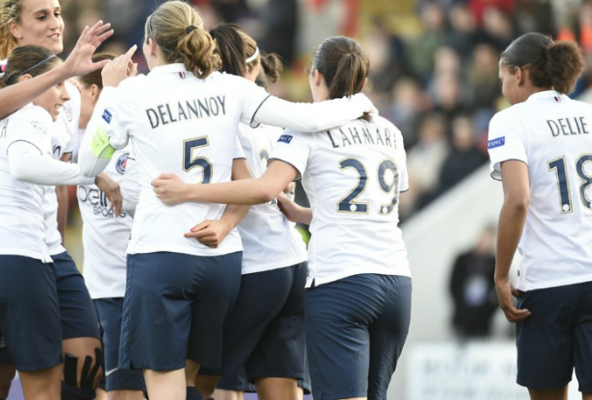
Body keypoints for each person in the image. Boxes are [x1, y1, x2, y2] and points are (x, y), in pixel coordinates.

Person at [77, 0, 376, 400]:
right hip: (222, 262)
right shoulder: (229, 87)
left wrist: (111, 91)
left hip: (161, 253)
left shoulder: (133, 92)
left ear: (150, 45)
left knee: (168, 387)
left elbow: (88, 163)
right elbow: (309, 118)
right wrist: (360, 100)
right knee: (198, 382)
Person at [150, 35, 413, 400]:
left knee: (202, 379)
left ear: (315, 76)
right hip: (396, 282)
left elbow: (264, 189)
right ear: (363, 81)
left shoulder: (306, 129)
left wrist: (187, 192)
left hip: (340, 281)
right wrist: (303, 214)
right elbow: (368, 209)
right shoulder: (391, 132)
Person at [0, 0, 113, 400]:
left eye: (58, 13)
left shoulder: (68, 92)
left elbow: (62, 174)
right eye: (42, 16)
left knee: (87, 363)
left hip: (47, 250)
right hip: (6, 244)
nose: (55, 24)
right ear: (15, 28)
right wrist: (62, 71)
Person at [487, 32, 592, 400]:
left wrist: (501, 276)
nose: (503, 87)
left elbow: (517, 201)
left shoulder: (509, 121)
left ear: (518, 74)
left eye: (503, 77)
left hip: (547, 282)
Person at [192, 23, 309, 400]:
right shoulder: (277, 118)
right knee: (281, 385)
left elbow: (248, 188)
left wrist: (187, 193)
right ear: (254, 66)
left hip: (254, 267)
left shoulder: (221, 118)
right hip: (293, 261)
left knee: (206, 382)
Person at [76, 54, 147, 400]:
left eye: (75, 91)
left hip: (126, 291)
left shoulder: (134, 145)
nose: (67, 100)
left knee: (126, 393)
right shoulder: (77, 141)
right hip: (93, 291)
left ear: (95, 92)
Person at [448, 225, 498, 338]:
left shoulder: (494, 263)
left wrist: (489, 309)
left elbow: (499, 290)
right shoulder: (463, 259)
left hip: (483, 321)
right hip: (462, 317)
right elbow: (453, 285)